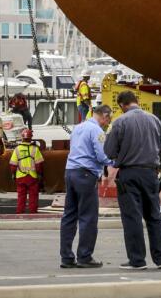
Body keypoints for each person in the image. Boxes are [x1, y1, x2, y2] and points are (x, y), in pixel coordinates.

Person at [106, 90, 161, 269]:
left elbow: (109, 151)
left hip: (129, 174)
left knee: (132, 217)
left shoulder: (120, 122)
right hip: (151, 173)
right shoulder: (155, 120)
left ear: (121, 105)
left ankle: (137, 260)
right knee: (154, 216)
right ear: (136, 101)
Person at [60, 104, 113, 269]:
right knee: (88, 217)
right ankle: (84, 256)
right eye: (108, 119)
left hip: (70, 172)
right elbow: (102, 155)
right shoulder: (97, 131)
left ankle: (67, 257)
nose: (108, 123)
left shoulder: (78, 128)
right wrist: (116, 162)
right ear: (104, 115)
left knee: (69, 215)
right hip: (86, 174)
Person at [10, 129, 45, 214]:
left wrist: (13, 174)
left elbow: (13, 165)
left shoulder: (17, 149)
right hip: (32, 177)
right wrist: (40, 174)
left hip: (20, 177)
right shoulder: (35, 149)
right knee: (33, 196)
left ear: (22, 138)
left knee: (21, 196)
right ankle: (33, 212)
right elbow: (39, 165)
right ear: (31, 138)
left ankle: (20, 212)